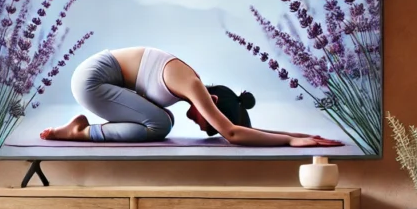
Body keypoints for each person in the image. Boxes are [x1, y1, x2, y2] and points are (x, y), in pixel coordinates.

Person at [39, 47, 344, 147]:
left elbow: (234, 127)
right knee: (160, 124)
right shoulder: (193, 85)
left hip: (96, 78)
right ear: (211, 101)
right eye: (207, 122)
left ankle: (80, 128)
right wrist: (291, 142)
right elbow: (234, 133)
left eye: (206, 129)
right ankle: (79, 132)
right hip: (93, 79)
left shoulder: (185, 84)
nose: (202, 127)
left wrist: (299, 134)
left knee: (164, 120)